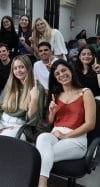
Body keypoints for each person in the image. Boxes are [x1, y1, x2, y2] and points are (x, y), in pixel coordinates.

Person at [36, 59, 96, 187]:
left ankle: (41, 184)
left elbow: (90, 124)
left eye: (64, 70)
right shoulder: (56, 95)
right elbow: (51, 122)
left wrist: (65, 136)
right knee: (42, 137)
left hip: (76, 139)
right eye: (57, 74)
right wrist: (52, 111)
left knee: (39, 157)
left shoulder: (85, 92)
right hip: (55, 134)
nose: (61, 75)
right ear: (55, 78)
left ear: (71, 71)